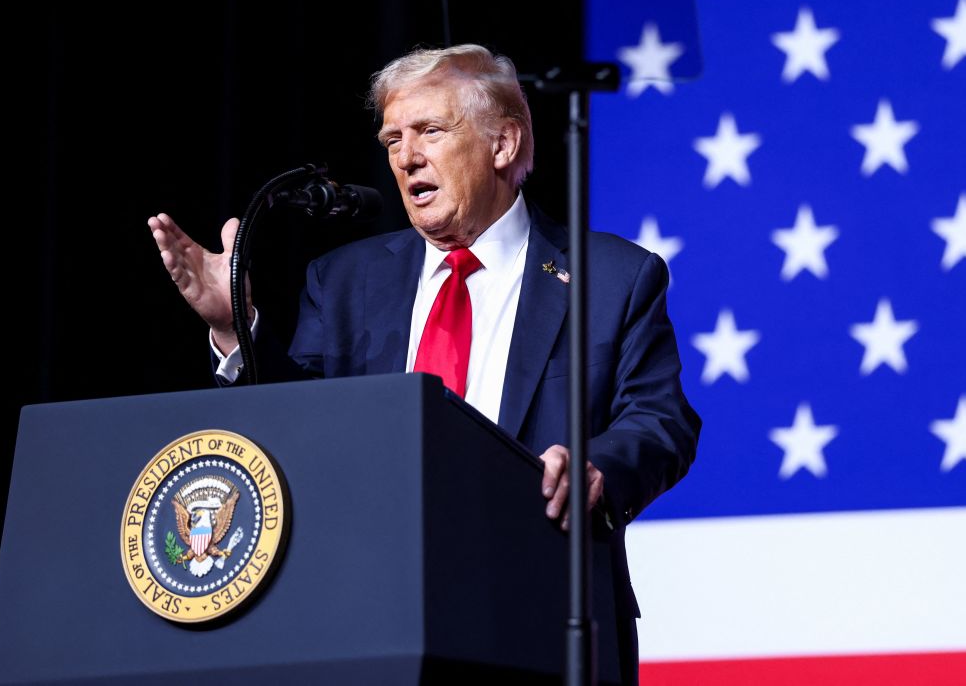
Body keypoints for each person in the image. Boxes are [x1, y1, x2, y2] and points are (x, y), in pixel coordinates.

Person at [149, 43, 700, 685]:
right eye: (391, 140)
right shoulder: (345, 280)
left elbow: (661, 420)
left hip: (540, 612)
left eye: (430, 132)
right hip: (365, 616)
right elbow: (296, 430)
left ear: (502, 144)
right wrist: (235, 329)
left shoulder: (612, 276)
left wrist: (598, 464)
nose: (405, 157)